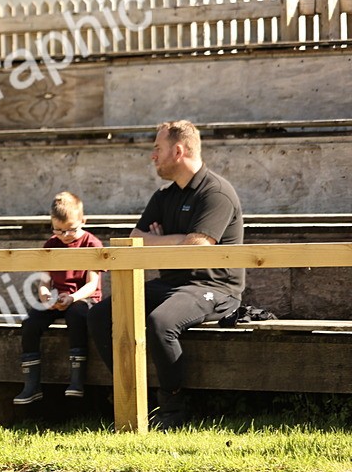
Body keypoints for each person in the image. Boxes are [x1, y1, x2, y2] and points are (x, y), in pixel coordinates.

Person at [88, 120, 243, 428]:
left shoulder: (216, 193)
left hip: (214, 287)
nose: (152, 156)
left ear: (178, 150)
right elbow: (135, 238)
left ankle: (173, 409)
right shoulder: (163, 196)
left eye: (157, 148)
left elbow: (198, 246)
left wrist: (163, 239)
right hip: (171, 284)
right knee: (100, 314)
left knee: (160, 322)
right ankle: (129, 395)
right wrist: (179, 238)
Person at [13, 192, 103, 405]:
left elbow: (92, 284)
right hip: (58, 298)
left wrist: (72, 298)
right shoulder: (52, 244)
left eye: (71, 229)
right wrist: (45, 295)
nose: (65, 235)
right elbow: (45, 282)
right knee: (31, 322)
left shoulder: (91, 243)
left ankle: (77, 379)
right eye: (59, 230)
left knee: (76, 314)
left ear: (83, 221)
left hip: (83, 298)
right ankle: (32, 384)